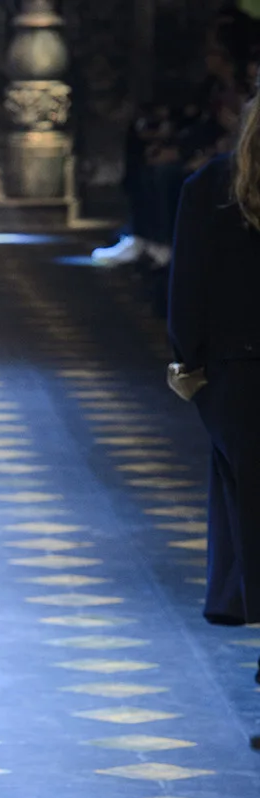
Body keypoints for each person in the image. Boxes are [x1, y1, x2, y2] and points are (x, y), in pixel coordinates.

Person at [167, 69, 260, 747]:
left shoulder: (212, 188)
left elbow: (187, 293)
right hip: (236, 374)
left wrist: (191, 365)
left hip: (237, 378)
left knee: (252, 521)